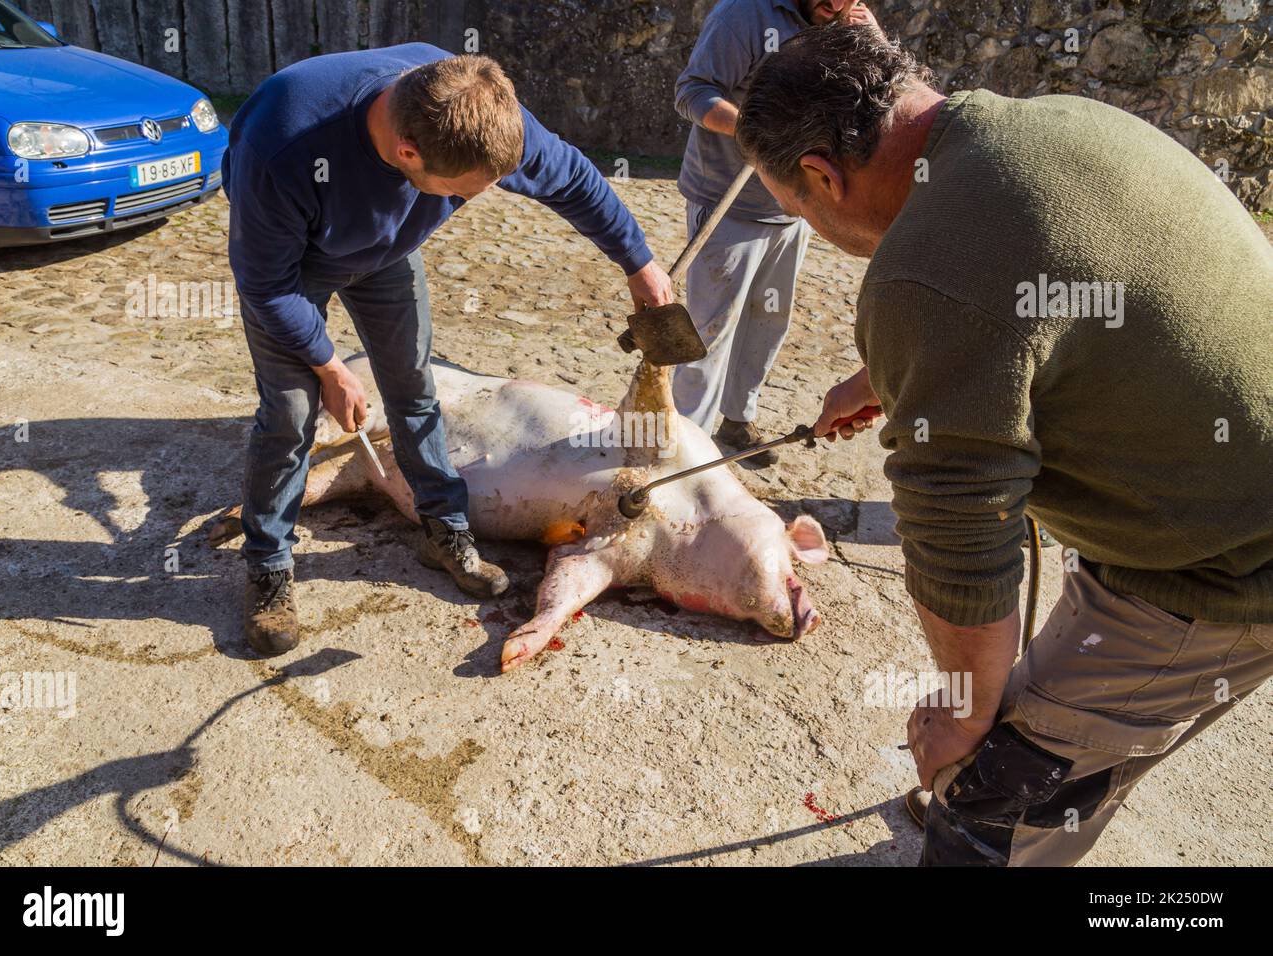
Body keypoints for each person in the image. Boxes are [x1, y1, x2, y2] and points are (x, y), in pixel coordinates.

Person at [736, 23, 1273, 864]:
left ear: (819, 175)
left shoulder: (921, 276)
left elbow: (962, 541)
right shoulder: (1051, 123)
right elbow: (1050, 289)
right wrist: (893, 375)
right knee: (1055, 736)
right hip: (1221, 474)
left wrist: (960, 716)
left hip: (1221, 560)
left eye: (795, 206)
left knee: (995, 795)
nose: (805, 218)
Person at [225, 46, 672, 655]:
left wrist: (638, 263)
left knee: (413, 387)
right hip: (293, 270)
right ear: (408, 154)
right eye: (465, 192)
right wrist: (328, 366)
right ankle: (269, 566)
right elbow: (266, 286)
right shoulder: (285, 142)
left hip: (384, 254)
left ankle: (444, 529)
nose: (480, 197)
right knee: (290, 415)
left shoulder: (473, 108)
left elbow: (571, 176)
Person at [672, 0, 878, 464]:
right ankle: (689, 443)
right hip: (730, 200)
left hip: (796, 203)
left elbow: (874, 95)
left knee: (769, 319)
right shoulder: (741, 16)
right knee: (710, 327)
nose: (834, 4)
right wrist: (751, 130)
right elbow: (693, 92)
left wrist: (871, 39)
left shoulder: (845, 21)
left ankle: (737, 420)